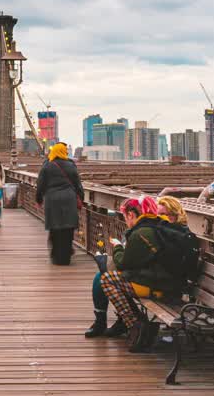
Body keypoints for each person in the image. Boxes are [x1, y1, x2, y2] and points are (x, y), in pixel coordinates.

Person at [87, 195, 196, 353]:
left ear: (130, 215)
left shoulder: (143, 232)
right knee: (108, 276)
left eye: (124, 216)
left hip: (161, 287)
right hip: (169, 282)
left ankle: (133, 325)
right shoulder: (167, 231)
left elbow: (123, 263)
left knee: (106, 278)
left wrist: (117, 247)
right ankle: (122, 322)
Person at [35, 142, 82, 264]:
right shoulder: (71, 165)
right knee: (68, 228)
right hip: (69, 199)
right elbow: (78, 185)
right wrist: (81, 199)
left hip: (52, 200)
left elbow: (40, 185)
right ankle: (66, 257)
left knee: (55, 228)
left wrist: (39, 199)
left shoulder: (47, 166)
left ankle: (56, 256)